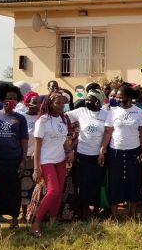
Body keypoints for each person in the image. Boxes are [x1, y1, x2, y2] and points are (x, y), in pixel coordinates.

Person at [0, 83, 27, 230]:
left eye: (15, 98)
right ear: (2, 99)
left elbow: (24, 140)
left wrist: (23, 160)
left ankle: (14, 219)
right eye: (9, 98)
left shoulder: (20, 118)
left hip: (14, 160)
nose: (12, 101)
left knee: (14, 190)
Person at [99, 84, 142, 218]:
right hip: (116, 152)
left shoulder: (138, 112)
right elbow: (108, 132)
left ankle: (132, 213)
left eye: (121, 98)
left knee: (134, 181)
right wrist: (102, 150)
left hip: (134, 151)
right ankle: (115, 215)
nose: (118, 100)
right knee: (115, 182)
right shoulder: (112, 112)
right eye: (117, 98)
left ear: (130, 98)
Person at [30, 92, 72, 237]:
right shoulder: (43, 121)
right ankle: (35, 223)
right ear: (49, 104)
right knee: (53, 191)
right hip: (46, 160)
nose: (61, 105)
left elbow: (63, 140)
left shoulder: (63, 119)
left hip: (60, 159)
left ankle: (53, 222)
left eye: (63, 103)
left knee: (59, 191)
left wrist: (68, 151)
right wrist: (36, 168)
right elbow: (37, 146)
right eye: (58, 102)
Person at [65, 89, 108, 220]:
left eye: (91, 99)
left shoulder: (106, 115)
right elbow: (63, 118)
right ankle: (83, 211)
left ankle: (95, 209)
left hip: (98, 156)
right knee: (81, 185)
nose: (88, 101)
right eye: (87, 98)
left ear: (99, 101)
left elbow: (108, 133)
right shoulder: (81, 111)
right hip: (82, 155)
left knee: (96, 184)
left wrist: (102, 151)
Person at [18, 91, 41, 222]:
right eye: (34, 102)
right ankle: (24, 213)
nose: (37, 105)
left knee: (37, 186)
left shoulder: (42, 117)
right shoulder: (22, 118)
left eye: (39, 102)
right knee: (25, 186)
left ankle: (36, 213)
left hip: (38, 157)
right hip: (25, 157)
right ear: (27, 103)